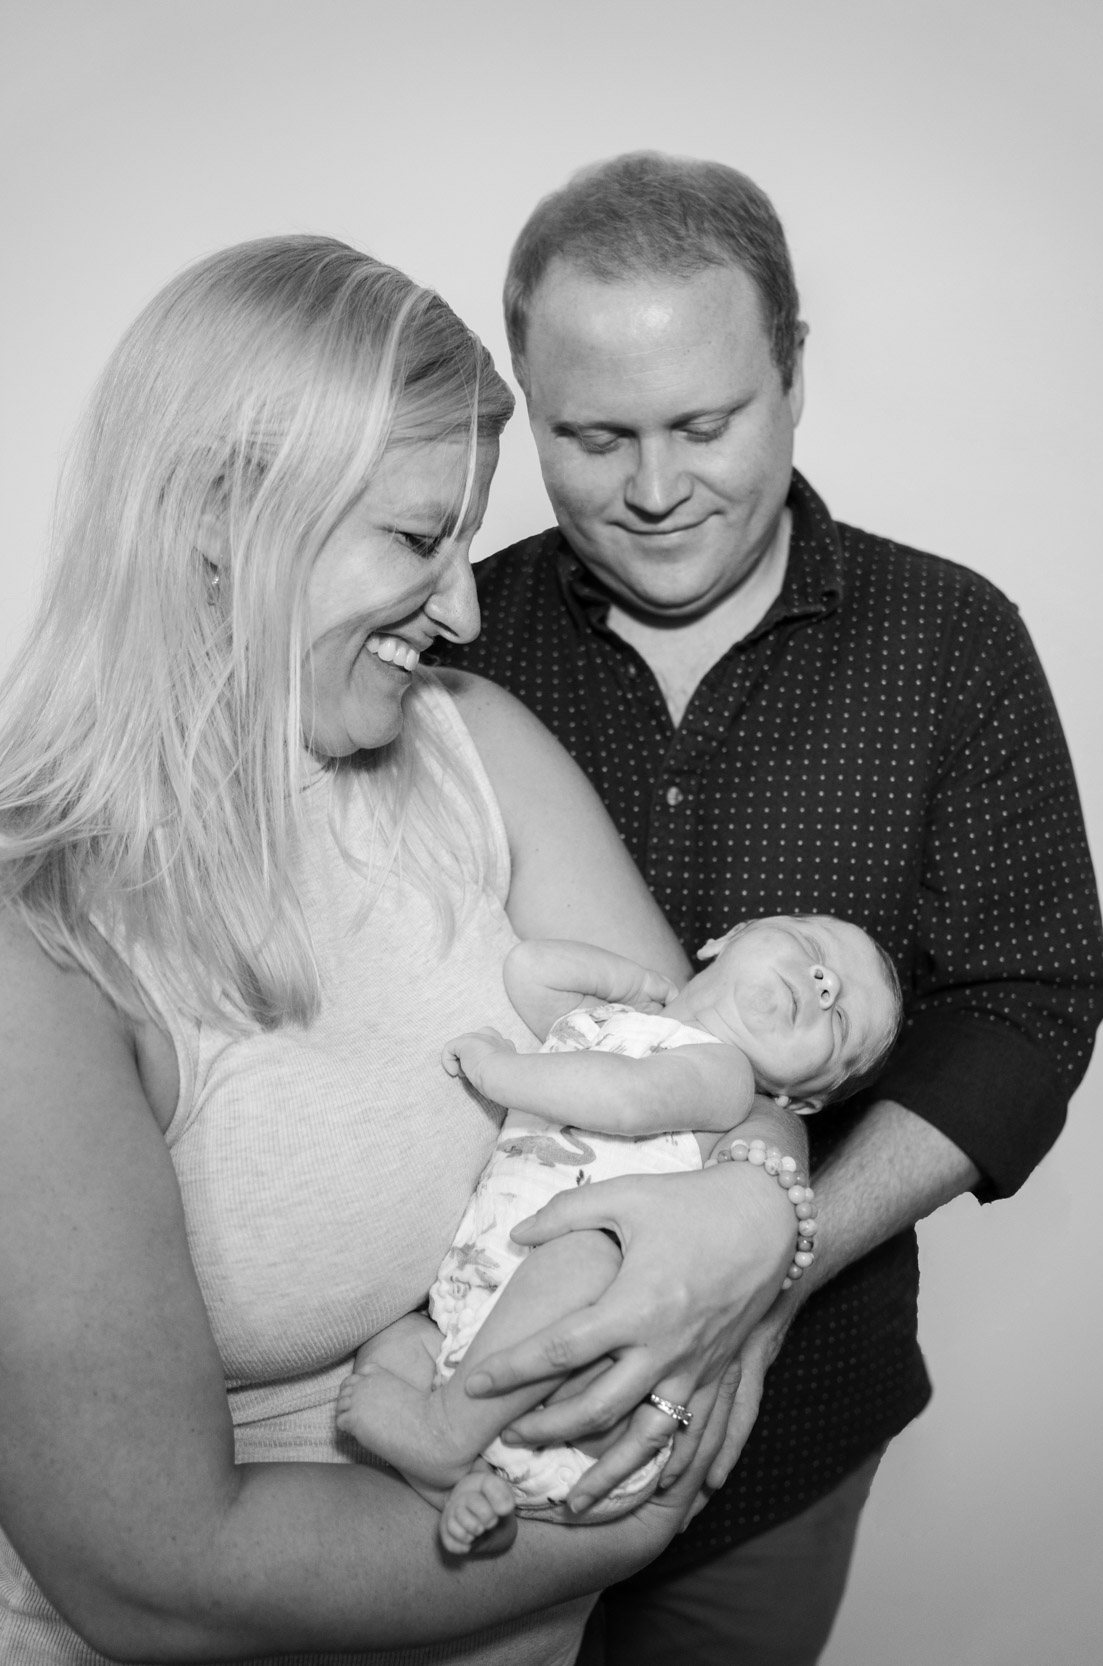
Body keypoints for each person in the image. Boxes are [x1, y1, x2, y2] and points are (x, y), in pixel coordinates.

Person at [0, 234, 816, 1665]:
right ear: (215, 518)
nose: (464, 606)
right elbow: (157, 1571)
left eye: (464, 537)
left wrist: (756, 1214)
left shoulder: (468, 747)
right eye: (411, 538)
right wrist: (625, 1522)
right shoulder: (42, 943)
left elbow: (720, 1072)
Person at [436, 152, 1103, 1665]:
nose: (656, 488)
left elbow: (1028, 1002)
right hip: (448, 1406)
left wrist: (766, 1257)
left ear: (792, 374)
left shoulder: (951, 639)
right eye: (593, 437)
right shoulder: (447, 649)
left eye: (703, 423)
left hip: (783, 1436)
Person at [336, 919, 901, 1553]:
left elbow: (626, 1099)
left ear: (798, 1103)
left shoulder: (725, 1077)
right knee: (397, 1338)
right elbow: (530, 969)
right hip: (486, 1317)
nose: (824, 985)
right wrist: (632, 982)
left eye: (843, 1020)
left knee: (583, 1253)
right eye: (812, 948)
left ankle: (444, 1434)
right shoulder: (620, 1022)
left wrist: (499, 1071)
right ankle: (464, 1490)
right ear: (729, 938)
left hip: (585, 1363)